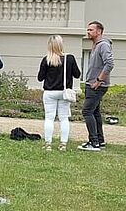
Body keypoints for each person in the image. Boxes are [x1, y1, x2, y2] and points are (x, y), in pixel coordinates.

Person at [37, 35, 81, 151]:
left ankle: (48, 144)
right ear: (61, 44)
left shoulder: (46, 59)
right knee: (64, 118)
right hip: (64, 92)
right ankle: (63, 143)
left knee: (49, 118)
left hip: (50, 92)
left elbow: (40, 78)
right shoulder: (69, 58)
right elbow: (77, 74)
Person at [78, 21, 114, 152]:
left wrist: (99, 80)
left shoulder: (103, 45)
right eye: (87, 30)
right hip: (91, 83)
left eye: (91, 30)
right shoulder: (95, 45)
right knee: (95, 112)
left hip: (97, 85)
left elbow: (109, 64)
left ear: (99, 31)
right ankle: (99, 140)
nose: (88, 32)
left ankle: (94, 142)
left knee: (87, 111)